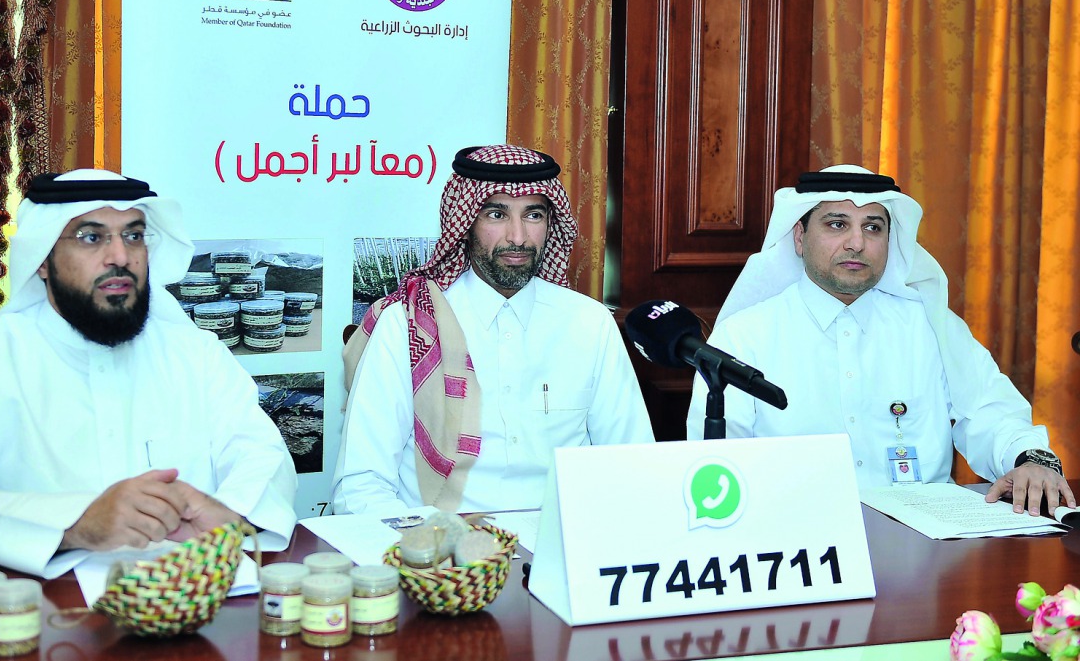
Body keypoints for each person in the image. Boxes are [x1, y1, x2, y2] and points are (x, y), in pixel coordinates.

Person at [0, 170, 299, 576]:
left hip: (194, 595)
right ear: (42, 260)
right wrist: (77, 523)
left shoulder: (196, 354)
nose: (121, 257)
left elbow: (263, 456)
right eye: (92, 237)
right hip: (40, 615)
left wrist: (228, 514)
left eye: (133, 236)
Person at [687, 165, 1074, 516]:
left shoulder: (928, 326)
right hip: (798, 542)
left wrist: (1031, 458)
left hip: (925, 552)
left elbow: (990, 412)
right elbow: (720, 465)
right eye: (837, 224)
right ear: (800, 238)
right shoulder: (744, 336)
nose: (857, 242)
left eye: (873, 227)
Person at [332, 144, 655, 514]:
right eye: (496, 214)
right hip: (441, 552)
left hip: (562, 545)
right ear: (466, 221)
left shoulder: (590, 324)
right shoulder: (408, 325)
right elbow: (362, 483)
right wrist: (423, 560)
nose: (517, 237)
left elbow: (631, 463)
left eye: (533, 215)